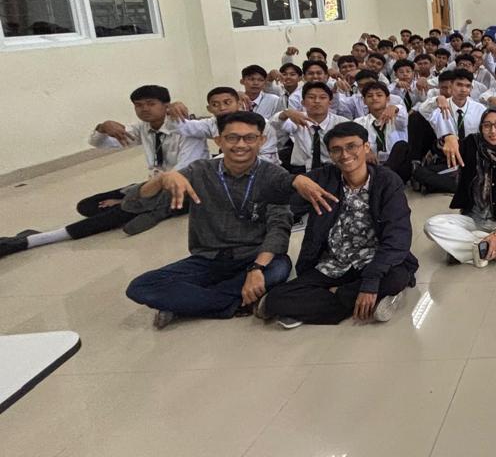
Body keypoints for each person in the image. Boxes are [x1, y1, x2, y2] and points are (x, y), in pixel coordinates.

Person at [123, 111, 336, 329]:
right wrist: (161, 180)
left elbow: (279, 228)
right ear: (219, 140)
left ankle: (185, 303)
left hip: (253, 257)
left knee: (279, 269)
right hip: (208, 259)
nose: (241, 145)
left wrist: (256, 268)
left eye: (249, 138)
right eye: (232, 138)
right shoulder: (200, 171)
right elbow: (131, 204)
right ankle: (233, 303)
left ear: (261, 141)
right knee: (141, 286)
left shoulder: (273, 175)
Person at [1, 85, 208, 259]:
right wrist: (102, 127)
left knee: (120, 211)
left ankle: (31, 240)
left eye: (151, 103)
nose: (144, 109)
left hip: (184, 188)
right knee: (87, 206)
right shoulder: (143, 128)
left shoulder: (187, 128)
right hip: (151, 186)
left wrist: (133, 197)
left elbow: (180, 173)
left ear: (166, 106)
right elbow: (101, 143)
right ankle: (148, 211)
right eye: (138, 105)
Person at [259, 122, 418, 327]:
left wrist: (370, 282)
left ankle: (330, 300)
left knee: (396, 277)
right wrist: (295, 180)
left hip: (375, 261)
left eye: (351, 146)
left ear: (366, 147)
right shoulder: (323, 178)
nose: (344, 155)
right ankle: (358, 299)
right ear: (331, 154)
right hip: (334, 262)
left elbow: (398, 237)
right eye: (336, 150)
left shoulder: (387, 181)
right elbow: (271, 193)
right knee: (275, 298)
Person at [424, 108, 496, 267]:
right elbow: (438, 149)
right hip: (474, 218)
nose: (493, 131)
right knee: (431, 225)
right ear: (481, 128)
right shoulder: (472, 144)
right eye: (487, 125)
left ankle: (465, 249)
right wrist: (448, 138)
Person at [273, 81, 350, 174]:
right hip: (301, 170)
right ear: (303, 102)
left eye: (322, 97)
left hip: (333, 169)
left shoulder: (342, 123)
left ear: (330, 102)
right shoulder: (297, 119)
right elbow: (273, 125)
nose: (317, 101)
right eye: (311, 97)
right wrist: (286, 113)